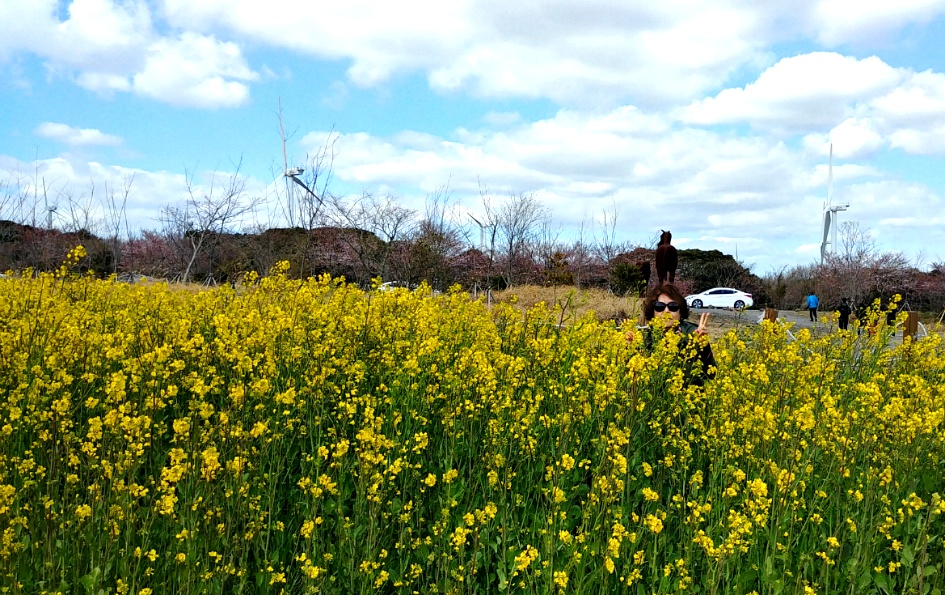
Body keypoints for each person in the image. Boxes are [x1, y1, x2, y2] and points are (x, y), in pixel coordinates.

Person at [640, 283, 716, 385]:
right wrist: (628, 349)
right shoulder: (643, 337)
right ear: (652, 312)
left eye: (673, 307)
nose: (666, 311)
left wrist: (703, 347)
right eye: (659, 306)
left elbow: (711, 375)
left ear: (680, 312)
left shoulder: (693, 335)